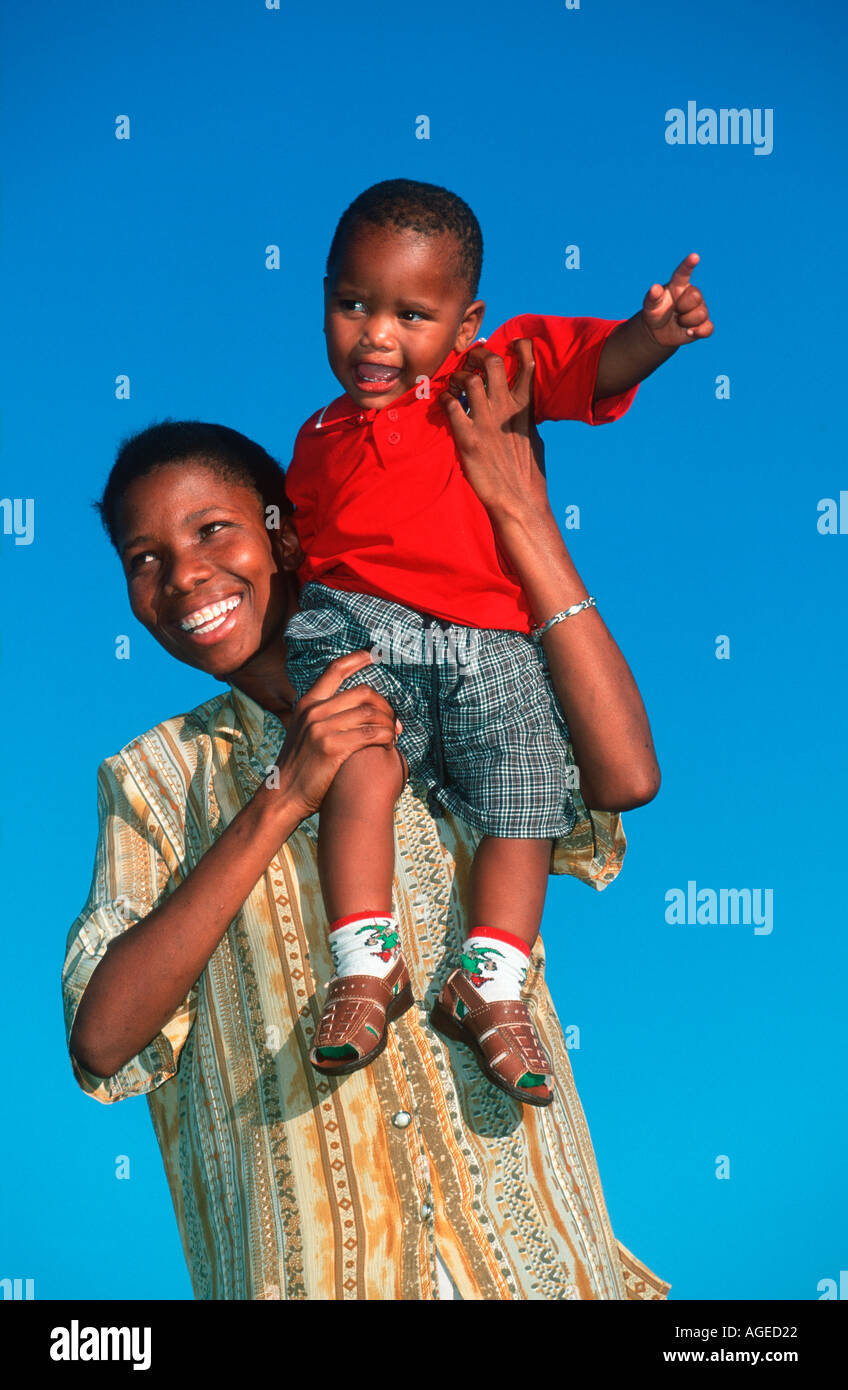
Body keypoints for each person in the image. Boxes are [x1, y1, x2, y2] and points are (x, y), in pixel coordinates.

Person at [63, 359, 668, 1299]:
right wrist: (280, 798)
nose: (183, 577)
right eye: (142, 560)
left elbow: (624, 777)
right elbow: (103, 1039)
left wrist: (523, 518)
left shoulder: (453, 683)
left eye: (212, 530)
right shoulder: (153, 778)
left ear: (288, 532)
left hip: (536, 1270)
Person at [282, 178, 712, 1096]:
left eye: (412, 313)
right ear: (323, 294)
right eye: (352, 304)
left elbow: (584, 366)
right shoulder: (316, 438)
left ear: (467, 321)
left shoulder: (490, 374)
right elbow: (304, 556)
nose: (377, 336)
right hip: (364, 622)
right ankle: (365, 965)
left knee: (528, 783)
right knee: (358, 756)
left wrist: (655, 337)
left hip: (492, 635)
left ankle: (492, 982)